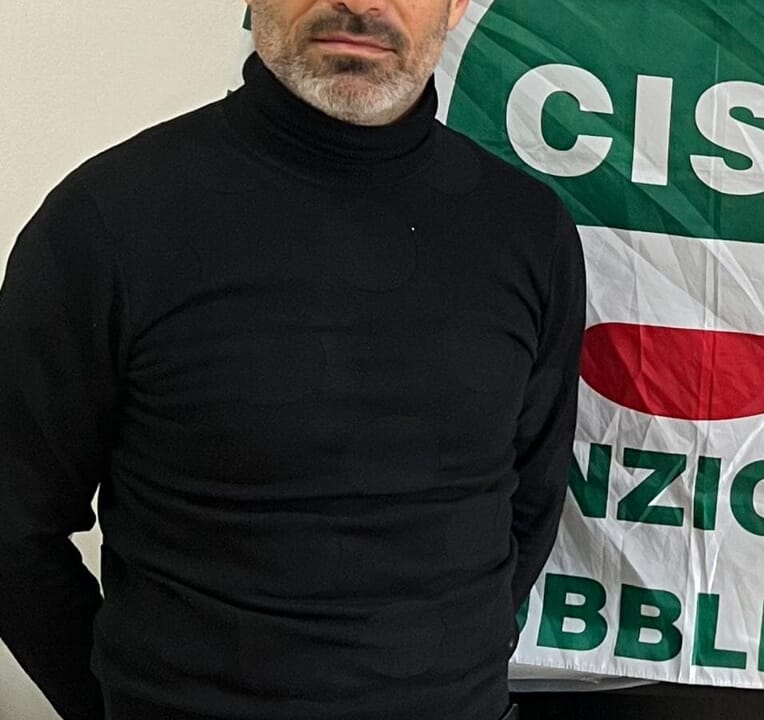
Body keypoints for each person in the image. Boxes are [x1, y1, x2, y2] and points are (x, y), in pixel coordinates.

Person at [0, 1, 585, 718]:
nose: (361, 3)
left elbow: (529, 506)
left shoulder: (529, 232)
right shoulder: (105, 221)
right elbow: (12, 526)